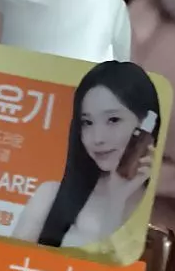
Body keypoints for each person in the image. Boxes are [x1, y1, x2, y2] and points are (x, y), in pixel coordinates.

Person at [15, 60, 161, 248]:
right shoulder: (51, 196)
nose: (97, 138)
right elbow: (7, 262)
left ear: (146, 125)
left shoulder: (158, 215)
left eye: (113, 120)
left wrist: (117, 199)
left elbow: (110, 261)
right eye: (87, 123)